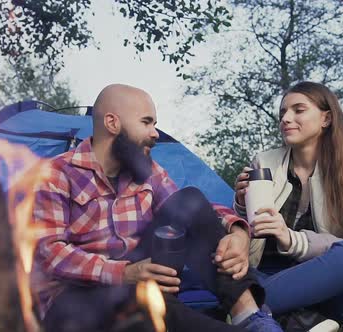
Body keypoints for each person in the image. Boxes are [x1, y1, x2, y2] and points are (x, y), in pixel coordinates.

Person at [30, 84, 283, 332]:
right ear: (112, 123)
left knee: (190, 199)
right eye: (146, 122)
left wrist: (238, 232)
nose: (155, 133)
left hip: (140, 280)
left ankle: (250, 316)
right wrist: (125, 272)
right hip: (75, 299)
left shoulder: (148, 172)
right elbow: (50, 253)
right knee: (143, 307)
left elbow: (193, 207)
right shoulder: (56, 173)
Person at [234, 81, 343, 330]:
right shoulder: (265, 161)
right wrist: (240, 202)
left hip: (327, 286)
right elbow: (251, 229)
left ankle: (247, 308)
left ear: (326, 118)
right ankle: (301, 321)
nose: (286, 118)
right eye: (283, 113)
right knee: (231, 268)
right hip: (270, 275)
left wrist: (290, 239)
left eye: (298, 110)